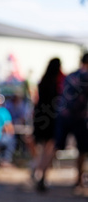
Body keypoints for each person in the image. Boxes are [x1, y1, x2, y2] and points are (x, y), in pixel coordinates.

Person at [53, 53, 88, 191]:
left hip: (63, 115)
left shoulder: (71, 75)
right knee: (82, 149)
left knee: (56, 145)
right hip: (79, 117)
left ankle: (41, 173)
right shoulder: (85, 76)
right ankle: (78, 180)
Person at [31, 58, 65, 192]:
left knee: (44, 148)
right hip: (51, 119)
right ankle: (42, 174)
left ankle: (37, 170)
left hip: (41, 117)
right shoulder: (56, 83)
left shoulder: (43, 81)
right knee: (49, 149)